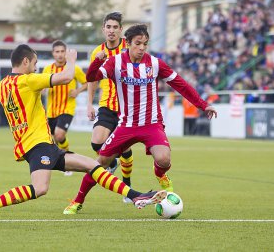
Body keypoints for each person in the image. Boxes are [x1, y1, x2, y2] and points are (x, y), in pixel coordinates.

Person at [0, 44, 167, 223]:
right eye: (34, 63)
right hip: (38, 146)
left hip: (41, 145)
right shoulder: (29, 80)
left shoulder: (1, 85)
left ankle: (136, 195)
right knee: (40, 188)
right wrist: (72, 58)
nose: (35, 67)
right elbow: (66, 77)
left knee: (93, 165)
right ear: (25, 62)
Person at [79, 24, 217, 213]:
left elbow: (181, 85)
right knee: (100, 162)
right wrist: (97, 61)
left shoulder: (155, 63)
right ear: (128, 43)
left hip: (151, 124)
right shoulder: (115, 62)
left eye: (145, 44)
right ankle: (77, 201)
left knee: (164, 159)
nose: (142, 48)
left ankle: (160, 173)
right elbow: (91, 76)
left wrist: (203, 104)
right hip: (126, 124)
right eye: (138, 43)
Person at [63, 12, 134, 215]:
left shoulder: (128, 50)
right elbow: (92, 80)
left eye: (115, 27)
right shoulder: (98, 52)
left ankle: (126, 182)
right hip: (106, 105)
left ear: (121, 30)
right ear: (103, 29)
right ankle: (113, 163)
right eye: (108, 27)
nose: (111, 31)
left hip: (127, 108)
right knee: (96, 142)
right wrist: (89, 104)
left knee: (125, 148)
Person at [42, 40, 87, 176]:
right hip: (51, 110)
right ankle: (66, 158)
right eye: (57, 52)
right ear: (53, 53)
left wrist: (77, 91)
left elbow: (86, 83)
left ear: (66, 53)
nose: (60, 54)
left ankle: (66, 161)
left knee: (59, 134)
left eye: (62, 51)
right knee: (55, 138)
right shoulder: (47, 69)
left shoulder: (74, 68)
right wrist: (43, 89)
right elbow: (42, 84)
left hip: (67, 108)